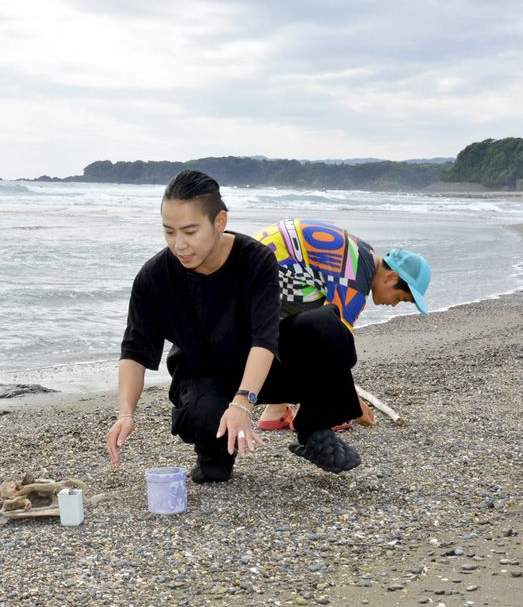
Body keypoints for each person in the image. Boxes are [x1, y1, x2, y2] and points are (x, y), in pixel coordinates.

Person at [106, 170, 365, 483]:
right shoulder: (154, 278)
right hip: (203, 373)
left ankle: (314, 430)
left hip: (260, 364)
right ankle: (214, 454)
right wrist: (126, 414)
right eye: (169, 232)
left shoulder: (256, 260)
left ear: (219, 222)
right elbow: (134, 350)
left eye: (190, 231)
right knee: (213, 464)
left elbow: (265, 339)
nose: (179, 245)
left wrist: (243, 402)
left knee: (326, 327)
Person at [253, 219, 431, 430]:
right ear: (391, 277)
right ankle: (314, 410)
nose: (393, 304)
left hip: (254, 271)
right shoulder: (355, 282)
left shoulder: (364, 253)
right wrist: (350, 403)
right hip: (261, 283)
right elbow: (331, 348)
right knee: (325, 328)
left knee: (318, 315)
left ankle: (276, 409)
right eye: (400, 298)